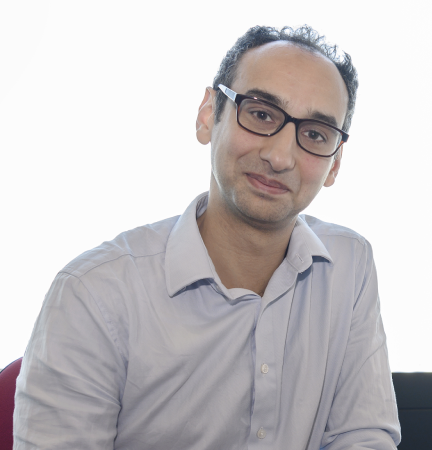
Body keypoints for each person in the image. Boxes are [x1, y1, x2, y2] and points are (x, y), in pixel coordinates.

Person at [13, 25, 401, 449]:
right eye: (260, 113)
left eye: (314, 135)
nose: (280, 156)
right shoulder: (93, 293)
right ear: (207, 115)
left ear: (335, 164)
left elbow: (361, 437)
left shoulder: (350, 265)